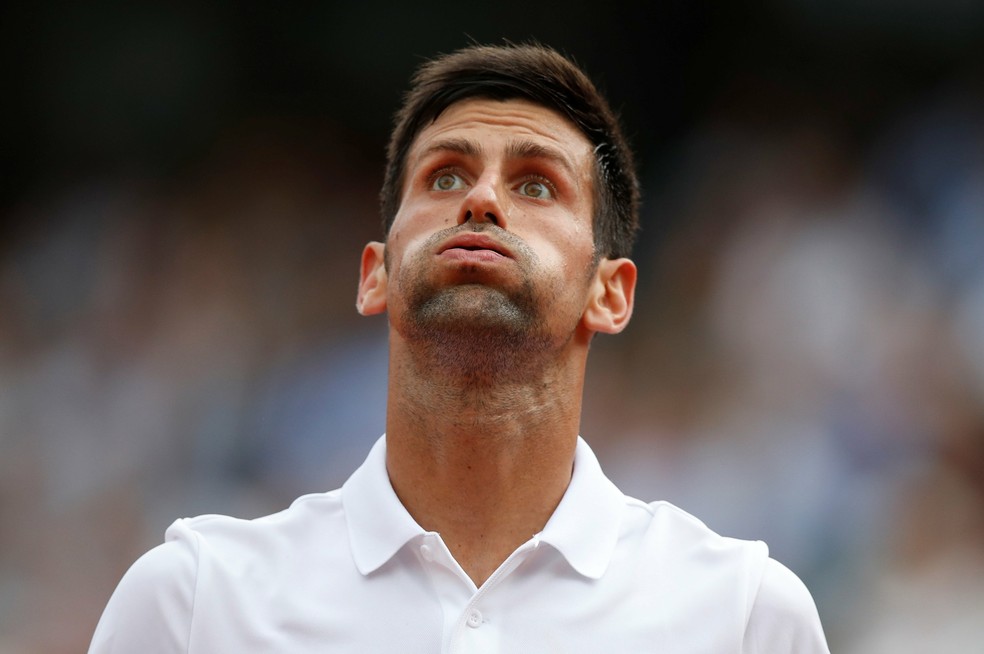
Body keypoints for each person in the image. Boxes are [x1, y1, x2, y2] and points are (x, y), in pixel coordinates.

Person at [89, 43, 830, 653]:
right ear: (375, 272)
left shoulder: (743, 617)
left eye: (537, 185)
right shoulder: (193, 603)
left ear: (612, 294)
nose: (482, 201)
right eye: (445, 176)